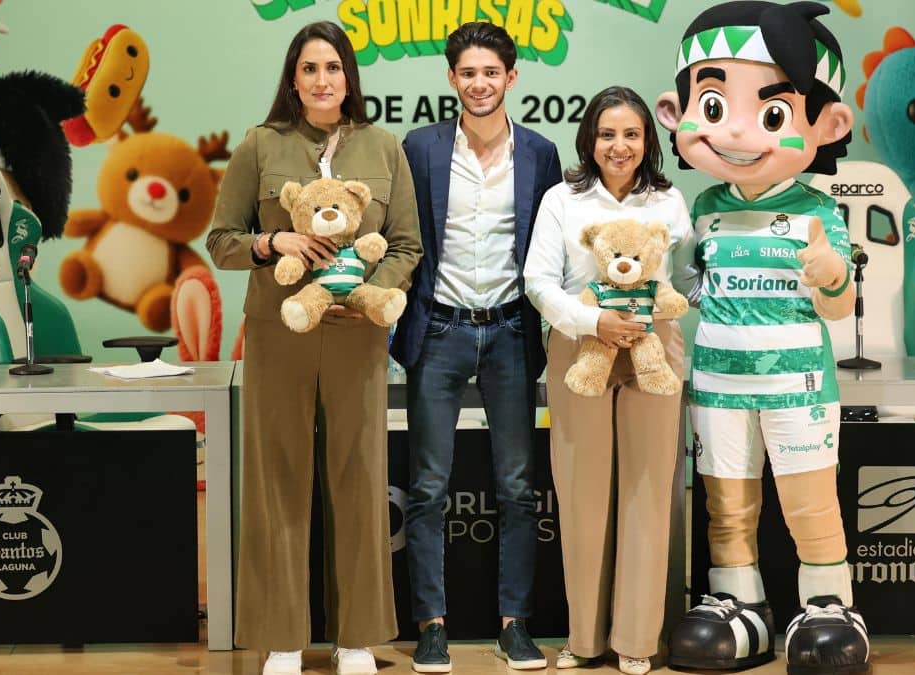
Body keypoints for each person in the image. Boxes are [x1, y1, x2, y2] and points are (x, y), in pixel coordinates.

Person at [654, 2, 867, 673]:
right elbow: (687, 288)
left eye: (772, 114)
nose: (739, 131)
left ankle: (828, 604)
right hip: (718, 382)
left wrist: (831, 273)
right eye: (715, 106)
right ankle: (738, 603)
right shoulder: (703, 210)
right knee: (727, 506)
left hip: (797, 384)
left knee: (809, 503)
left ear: (827, 125)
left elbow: (840, 306)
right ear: (678, 112)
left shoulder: (819, 210)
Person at [205, 21, 421, 675]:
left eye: (333, 67)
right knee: (277, 476)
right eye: (309, 68)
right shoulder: (259, 144)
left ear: (349, 77)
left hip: (358, 336)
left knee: (359, 477)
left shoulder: (383, 146)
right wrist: (274, 243)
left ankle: (357, 636)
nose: (322, 80)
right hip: (279, 331)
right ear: (293, 79)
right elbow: (221, 241)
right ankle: (282, 637)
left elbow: (406, 245)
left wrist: (371, 293)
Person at [392, 20, 562, 674]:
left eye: (491, 72)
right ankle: (431, 627)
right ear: (451, 78)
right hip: (439, 328)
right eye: (468, 72)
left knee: (517, 487)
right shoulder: (421, 148)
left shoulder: (540, 153)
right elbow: (406, 239)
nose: (480, 83)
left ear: (511, 78)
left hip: (512, 329)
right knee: (428, 486)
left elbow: (549, 247)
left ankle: (515, 625)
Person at [523, 85, 693, 675]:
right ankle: (585, 639)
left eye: (631, 134)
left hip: (653, 349)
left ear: (648, 141)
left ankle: (637, 640)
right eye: (606, 134)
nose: (619, 146)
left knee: (648, 492)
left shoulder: (669, 201)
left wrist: (655, 313)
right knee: (582, 494)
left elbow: (686, 279)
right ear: (589, 140)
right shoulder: (561, 200)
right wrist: (593, 320)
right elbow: (538, 281)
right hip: (581, 345)